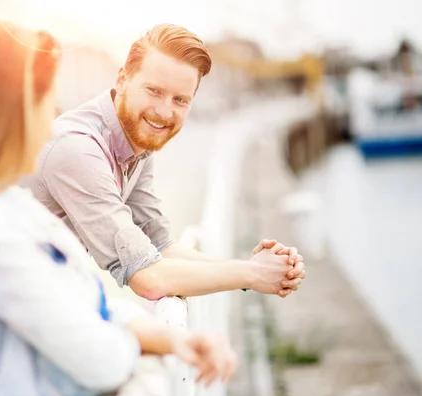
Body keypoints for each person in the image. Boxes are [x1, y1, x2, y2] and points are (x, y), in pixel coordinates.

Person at [0, 24, 237, 396]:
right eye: (43, 100)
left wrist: (171, 339)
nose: (54, 115)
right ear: (5, 115)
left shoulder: (18, 210)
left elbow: (87, 308)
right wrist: (147, 363)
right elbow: (92, 352)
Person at [29, 23, 306, 300]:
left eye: (180, 100)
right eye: (154, 91)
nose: (164, 112)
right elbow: (147, 277)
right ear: (122, 79)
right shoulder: (78, 149)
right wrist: (254, 275)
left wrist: (252, 269)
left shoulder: (136, 141)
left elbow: (159, 246)